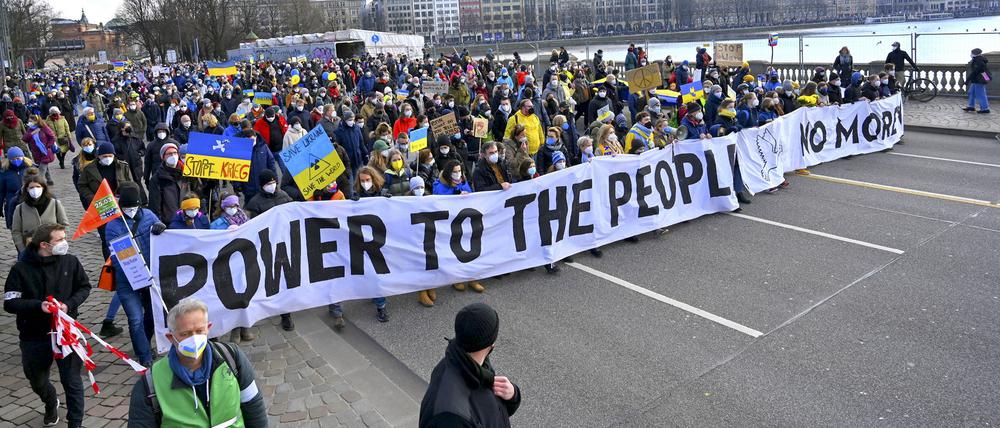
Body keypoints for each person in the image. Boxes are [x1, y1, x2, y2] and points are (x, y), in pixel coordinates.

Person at [128, 297, 268, 427]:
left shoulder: (232, 357)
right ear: (170, 337)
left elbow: (253, 405)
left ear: (208, 328)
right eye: (185, 334)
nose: (194, 339)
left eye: (199, 331)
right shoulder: (151, 383)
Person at [4, 223, 90, 428]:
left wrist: (68, 305)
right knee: (37, 380)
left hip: (65, 333)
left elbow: (84, 287)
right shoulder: (20, 269)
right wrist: (38, 306)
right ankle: (51, 402)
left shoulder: (70, 262)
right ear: (44, 245)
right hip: (34, 335)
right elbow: (10, 302)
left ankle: (75, 423)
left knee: (72, 380)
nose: (64, 243)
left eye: (64, 238)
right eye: (59, 240)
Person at [419, 303, 521, 427]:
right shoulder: (451, 417)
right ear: (491, 344)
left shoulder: (469, 362)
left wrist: (512, 396)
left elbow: (491, 414)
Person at [105, 183, 163, 367]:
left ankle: (144, 342)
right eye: (126, 208)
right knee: (135, 318)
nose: (130, 211)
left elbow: (163, 235)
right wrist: (135, 273)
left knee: (151, 315)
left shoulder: (149, 216)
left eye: (133, 207)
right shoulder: (112, 226)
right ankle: (144, 356)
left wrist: (161, 227)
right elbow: (117, 258)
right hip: (127, 280)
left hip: (150, 277)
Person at [10, 176, 68, 254]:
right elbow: (16, 231)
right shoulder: (20, 208)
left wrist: (60, 242)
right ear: (27, 189)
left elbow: (64, 225)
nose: (35, 189)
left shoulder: (55, 204)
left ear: (43, 188)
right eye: (31, 187)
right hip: (30, 249)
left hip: (52, 248)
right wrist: (22, 249)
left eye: (38, 186)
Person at [25, 115, 59, 184]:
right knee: (43, 166)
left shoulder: (44, 127)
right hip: (36, 153)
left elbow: (52, 137)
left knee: (41, 169)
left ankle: (40, 183)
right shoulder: (30, 129)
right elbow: (25, 139)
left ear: (36, 121)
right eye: (29, 121)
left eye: (31, 121)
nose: (29, 123)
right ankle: (49, 180)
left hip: (45, 152)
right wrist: (32, 133)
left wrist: (48, 146)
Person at [963, 48, 991, 114]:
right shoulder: (978, 59)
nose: (971, 54)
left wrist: (967, 80)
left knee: (980, 94)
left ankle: (985, 108)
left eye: (972, 53)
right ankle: (971, 106)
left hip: (979, 80)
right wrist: (987, 78)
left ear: (975, 54)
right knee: (971, 92)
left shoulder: (978, 61)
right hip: (978, 79)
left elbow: (975, 72)